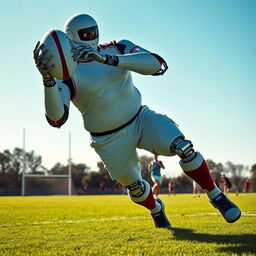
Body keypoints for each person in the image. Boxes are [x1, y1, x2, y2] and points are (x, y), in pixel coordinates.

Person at [33, 13, 241, 228]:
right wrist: (48, 81)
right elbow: (57, 119)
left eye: (92, 32)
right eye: (84, 34)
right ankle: (156, 209)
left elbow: (157, 64)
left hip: (141, 119)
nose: (90, 37)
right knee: (137, 188)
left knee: (184, 148)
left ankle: (216, 195)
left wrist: (108, 59)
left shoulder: (117, 48)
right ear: (71, 38)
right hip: (108, 139)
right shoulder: (67, 75)